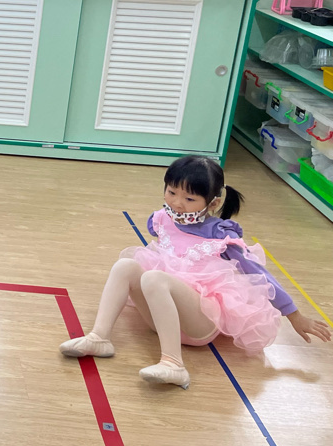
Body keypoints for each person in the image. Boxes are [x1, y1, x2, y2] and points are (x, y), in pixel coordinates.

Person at [60, 155, 330, 389]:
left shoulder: (221, 235)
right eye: (171, 192)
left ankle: (173, 364)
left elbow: (260, 276)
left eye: (189, 198)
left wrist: (295, 315)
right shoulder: (161, 219)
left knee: (154, 278)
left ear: (212, 203)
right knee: (125, 266)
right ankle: (99, 337)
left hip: (199, 324)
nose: (177, 203)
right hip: (160, 319)